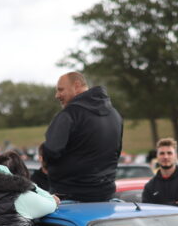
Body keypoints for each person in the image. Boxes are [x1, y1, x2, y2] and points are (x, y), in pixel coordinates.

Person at [42, 72, 123, 202]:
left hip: (70, 197)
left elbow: (50, 151)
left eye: (60, 90)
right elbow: (116, 152)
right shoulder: (115, 115)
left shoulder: (69, 114)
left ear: (77, 86)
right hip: (106, 198)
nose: (57, 95)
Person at [141, 138, 178, 208]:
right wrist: (175, 204)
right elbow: (147, 211)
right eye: (162, 153)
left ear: (176, 156)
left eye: (169, 153)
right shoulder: (150, 186)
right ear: (157, 157)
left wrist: (157, 206)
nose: (165, 157)